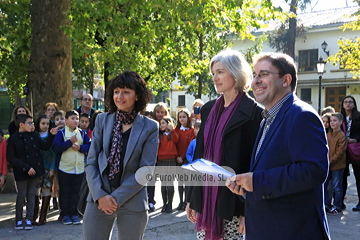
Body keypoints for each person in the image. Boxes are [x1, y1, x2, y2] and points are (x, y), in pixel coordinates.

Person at [226, 52, 330, 239]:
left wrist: (257, 181)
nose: (256, 81)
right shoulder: (267, 118)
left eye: (264, 74)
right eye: (255, 75)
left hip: (293, 231)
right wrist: (247, 189)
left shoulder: (301, 115)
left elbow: (314, 170)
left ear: (285, 80)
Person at [186, 49, 263, 240]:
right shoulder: (208, 109)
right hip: (205, 198)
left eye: (220, 72)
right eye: (213, 73)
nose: (215, 77)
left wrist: (247, 210)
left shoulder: (254, 112)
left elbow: (255, 163)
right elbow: (200, 157)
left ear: (236, 73)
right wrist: (192, 199)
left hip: (234, 201)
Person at [82, 71, 159, 240]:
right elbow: (91, 162)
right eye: (116, 92)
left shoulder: (150, 127)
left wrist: (115, 198)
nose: (120, 96)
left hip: (132, 199)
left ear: (137, 95)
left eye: (126, 92)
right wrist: (101, 196)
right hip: (99, 197)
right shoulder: (102, 120)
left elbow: (146, 170)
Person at [7, 114, 58, 230]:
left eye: (32, 123)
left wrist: (51, 135)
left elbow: (44, 146)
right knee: (21, 195)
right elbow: (11, 157)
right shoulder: (14, 138)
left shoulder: (34, 136)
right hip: (21, 171)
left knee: (31, 195)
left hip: (35, 170)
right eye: (30, 123)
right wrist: (25, 167)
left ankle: (29, 219)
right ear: (21, 124)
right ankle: (19, 219)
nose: (32, 125)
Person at [52, 110, 91, 225]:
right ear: (66, 120)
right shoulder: (61, 133)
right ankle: (65, 215)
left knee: (76, 192)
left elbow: (89, 146)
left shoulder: (82, 133)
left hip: (79, 169)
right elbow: (56, 147)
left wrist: (80, 148)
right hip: (64, 168)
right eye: (73, 118)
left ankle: (74, 214)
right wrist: (69, 142)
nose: (76, 120)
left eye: (77, 118)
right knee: (64, 192)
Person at [33, 115, 56, 225]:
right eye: (43, 123)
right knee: (35, 191)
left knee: (47, 190)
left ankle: (43, 217)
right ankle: (34, 215)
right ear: (38, 124)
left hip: (48, 167)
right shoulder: (35, 135)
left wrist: (52, 168)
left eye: (47, 124)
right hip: (37, 168)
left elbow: (54, 153)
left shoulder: (52, 136)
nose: (45, 126)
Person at [340, 95, 360, 211]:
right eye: (346, 102)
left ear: (354, 104)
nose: (348, 104)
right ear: (342, 104)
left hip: (356, 150)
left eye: (350, 102)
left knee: (359, 177)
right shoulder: (339, 117)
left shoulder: (359, 116)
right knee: (342, 177)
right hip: (343, 150)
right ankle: (340, 203)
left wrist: (355, 139)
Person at [325, 113, 347, 215]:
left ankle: (337, 206)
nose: (332, 123)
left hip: (337, 166)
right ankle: (326, 204)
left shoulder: (342, 136)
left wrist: (330, 161)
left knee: (337, 186)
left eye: (335, 120)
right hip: (327, 165)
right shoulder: (328, 135)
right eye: (331, 121)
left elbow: (340, 152)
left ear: (340, 122)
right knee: (326, 186)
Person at [174, 108, 195, 210]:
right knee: (179, 182)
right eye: (180, 117)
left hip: (186, 159)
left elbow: (190, 146)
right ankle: (180, 201)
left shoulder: (191, 131)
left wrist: (182, 156)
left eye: (184, 117)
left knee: (187, 182)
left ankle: (187, 201)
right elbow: (174, 144)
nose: (182, 119)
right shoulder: (175, 131)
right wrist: (177, 156)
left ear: (188, 118)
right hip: (178, 159)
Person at [158, 116, 179, 213]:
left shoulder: (172, 134)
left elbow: (176, 139)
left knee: (170, 183)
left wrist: (172, 130)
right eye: (160, 123)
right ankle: (164, 203)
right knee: (163, 183)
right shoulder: (159, 135)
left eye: (163, 123)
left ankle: (170, 204)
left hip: (171, 159)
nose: (161, 125)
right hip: (161, 160)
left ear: (168, 124)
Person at [52, 110, 66, 211]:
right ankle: (62, 211)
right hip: (58, 163)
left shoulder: (71, 131)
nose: (60, 121)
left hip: (71, 164)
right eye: (57, 119)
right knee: (60, 188)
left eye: (62, 119)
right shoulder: (53, 133)